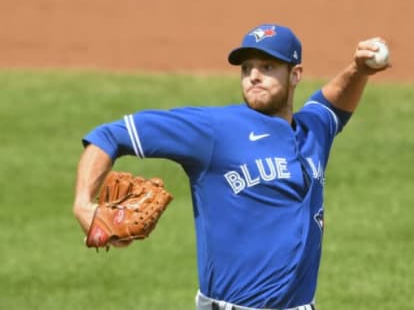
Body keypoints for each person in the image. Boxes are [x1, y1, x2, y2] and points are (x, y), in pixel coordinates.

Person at [73, 24, 389, 310]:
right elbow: (110, 136)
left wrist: (359, 70)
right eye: (247, 67)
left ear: (295, 74)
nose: (254, 75)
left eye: (268, 66)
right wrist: (83, 205)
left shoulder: (313, 131)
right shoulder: (214, 130)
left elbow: (331, 102)